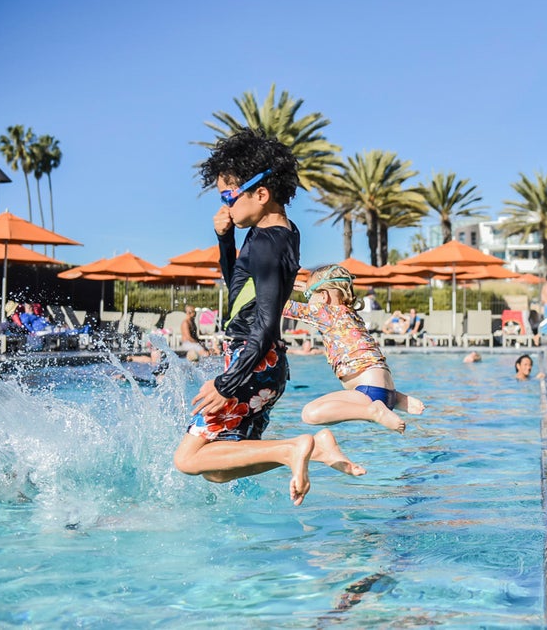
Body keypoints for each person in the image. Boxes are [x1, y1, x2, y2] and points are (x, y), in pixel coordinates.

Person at [173, 129, 364, 505]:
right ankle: (315, 449)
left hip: (251, 360)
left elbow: (265, 321)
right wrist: (225, 240)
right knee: (217, 469)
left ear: (261, 193)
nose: (225, 205)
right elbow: (239, 290)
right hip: (263, 364)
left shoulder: (266, 244)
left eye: (229, 195)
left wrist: (226, 383)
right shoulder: (281, 234)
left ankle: (294, 448)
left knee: (187, 459)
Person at [283, 264, 425, 434]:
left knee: (309, 414)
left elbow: (278, 305)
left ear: (323, 296)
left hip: (368, 393)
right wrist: (309, 288)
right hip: (385, 390)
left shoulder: (324, 311)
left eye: (308, 296)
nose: (307, 300)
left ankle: (374, 411)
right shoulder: (350, 313)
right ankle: (397, 399)